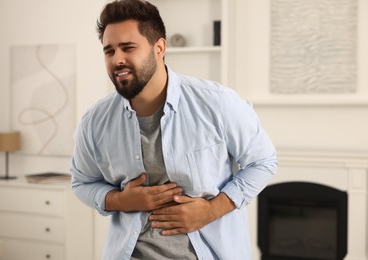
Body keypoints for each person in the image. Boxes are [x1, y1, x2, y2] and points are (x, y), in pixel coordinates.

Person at [70, 0, 277, 259]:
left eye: (128, 48)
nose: (117, 59)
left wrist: (211, 210)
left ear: (159, 48)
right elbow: (82, 182)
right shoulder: (94, 121)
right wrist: (121, 201)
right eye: (109, 51)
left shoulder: (217, 102)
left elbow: (263, 162)